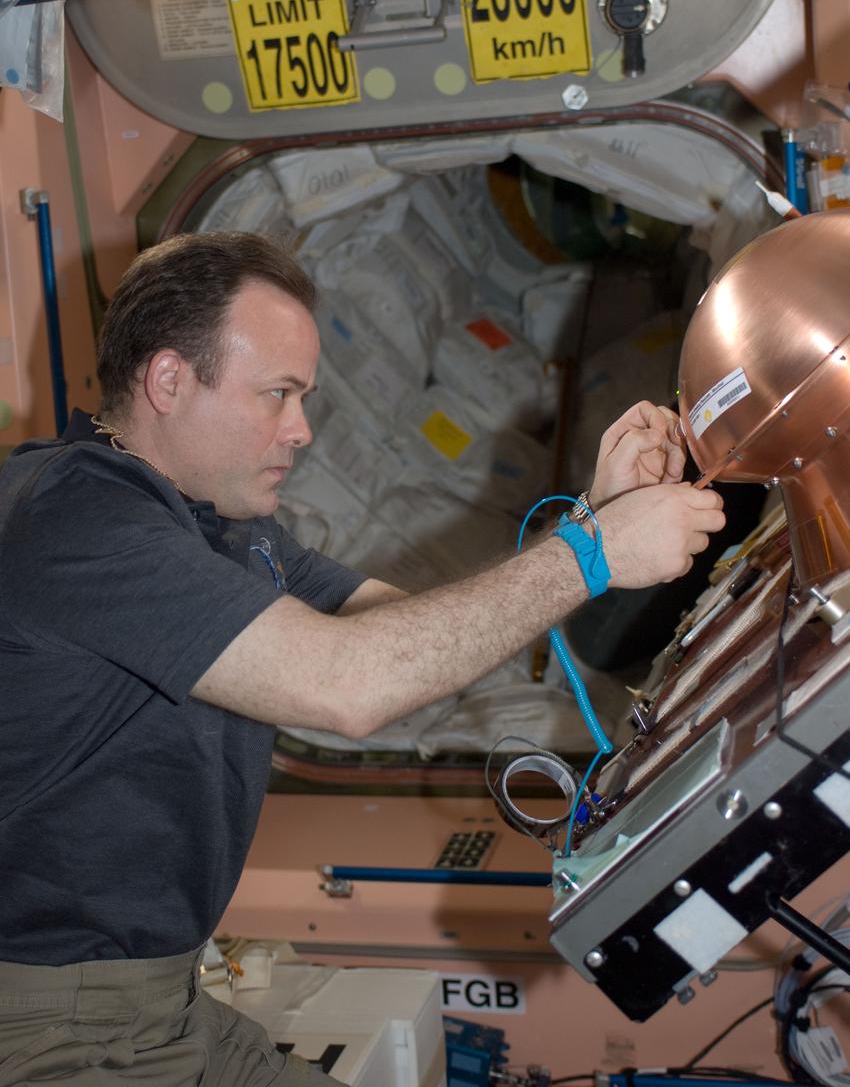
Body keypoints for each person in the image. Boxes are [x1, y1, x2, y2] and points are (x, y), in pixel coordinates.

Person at [0, 232, 725, 1086]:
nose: (301, 429)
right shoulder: (78, 518)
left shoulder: (218, 527)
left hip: (164, 1003)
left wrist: (591, 517)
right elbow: (348, 686)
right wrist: (592, 556)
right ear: (168, 381)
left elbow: (398, 631)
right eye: (277, 395)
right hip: (52, 1029)